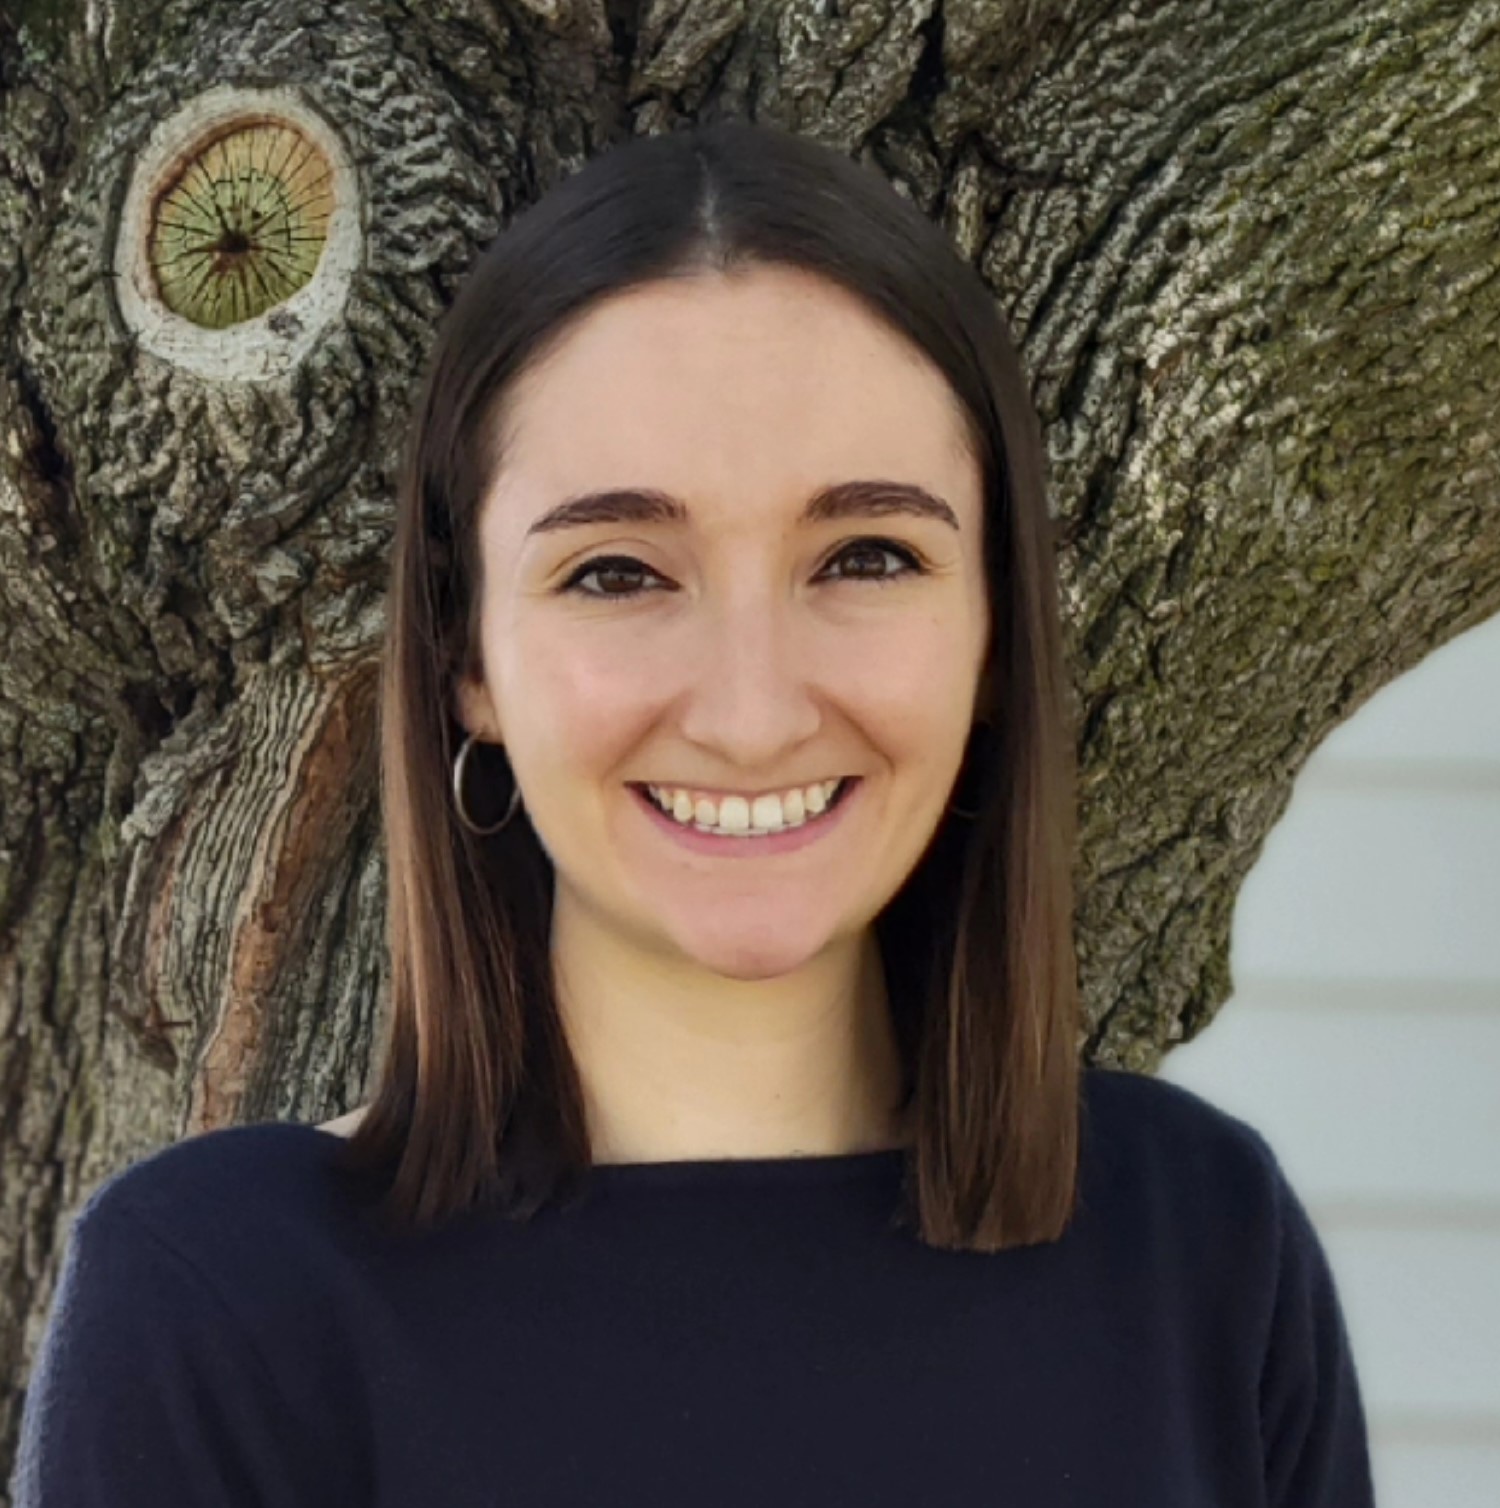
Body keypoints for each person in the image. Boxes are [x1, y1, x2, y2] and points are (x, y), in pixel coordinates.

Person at [11, 118, 1376, 1506]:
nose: (750, 709)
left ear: (992, 637)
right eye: (618, 573)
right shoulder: (223, 1306)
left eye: (865, 555)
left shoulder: (1202, 1252)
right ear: (466, 656)